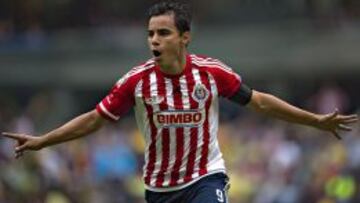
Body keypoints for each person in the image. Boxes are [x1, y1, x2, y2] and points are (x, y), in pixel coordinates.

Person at [2, 2, 358, 203]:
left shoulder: (211, 74)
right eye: (151, 34)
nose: (154, 40)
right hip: (159, 190)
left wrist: (316, 121)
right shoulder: (137, 81)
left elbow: (261, 103)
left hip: (206, 179)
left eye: (163, 33)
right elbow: (95, 119)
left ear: (184, 37)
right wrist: (43, 140)